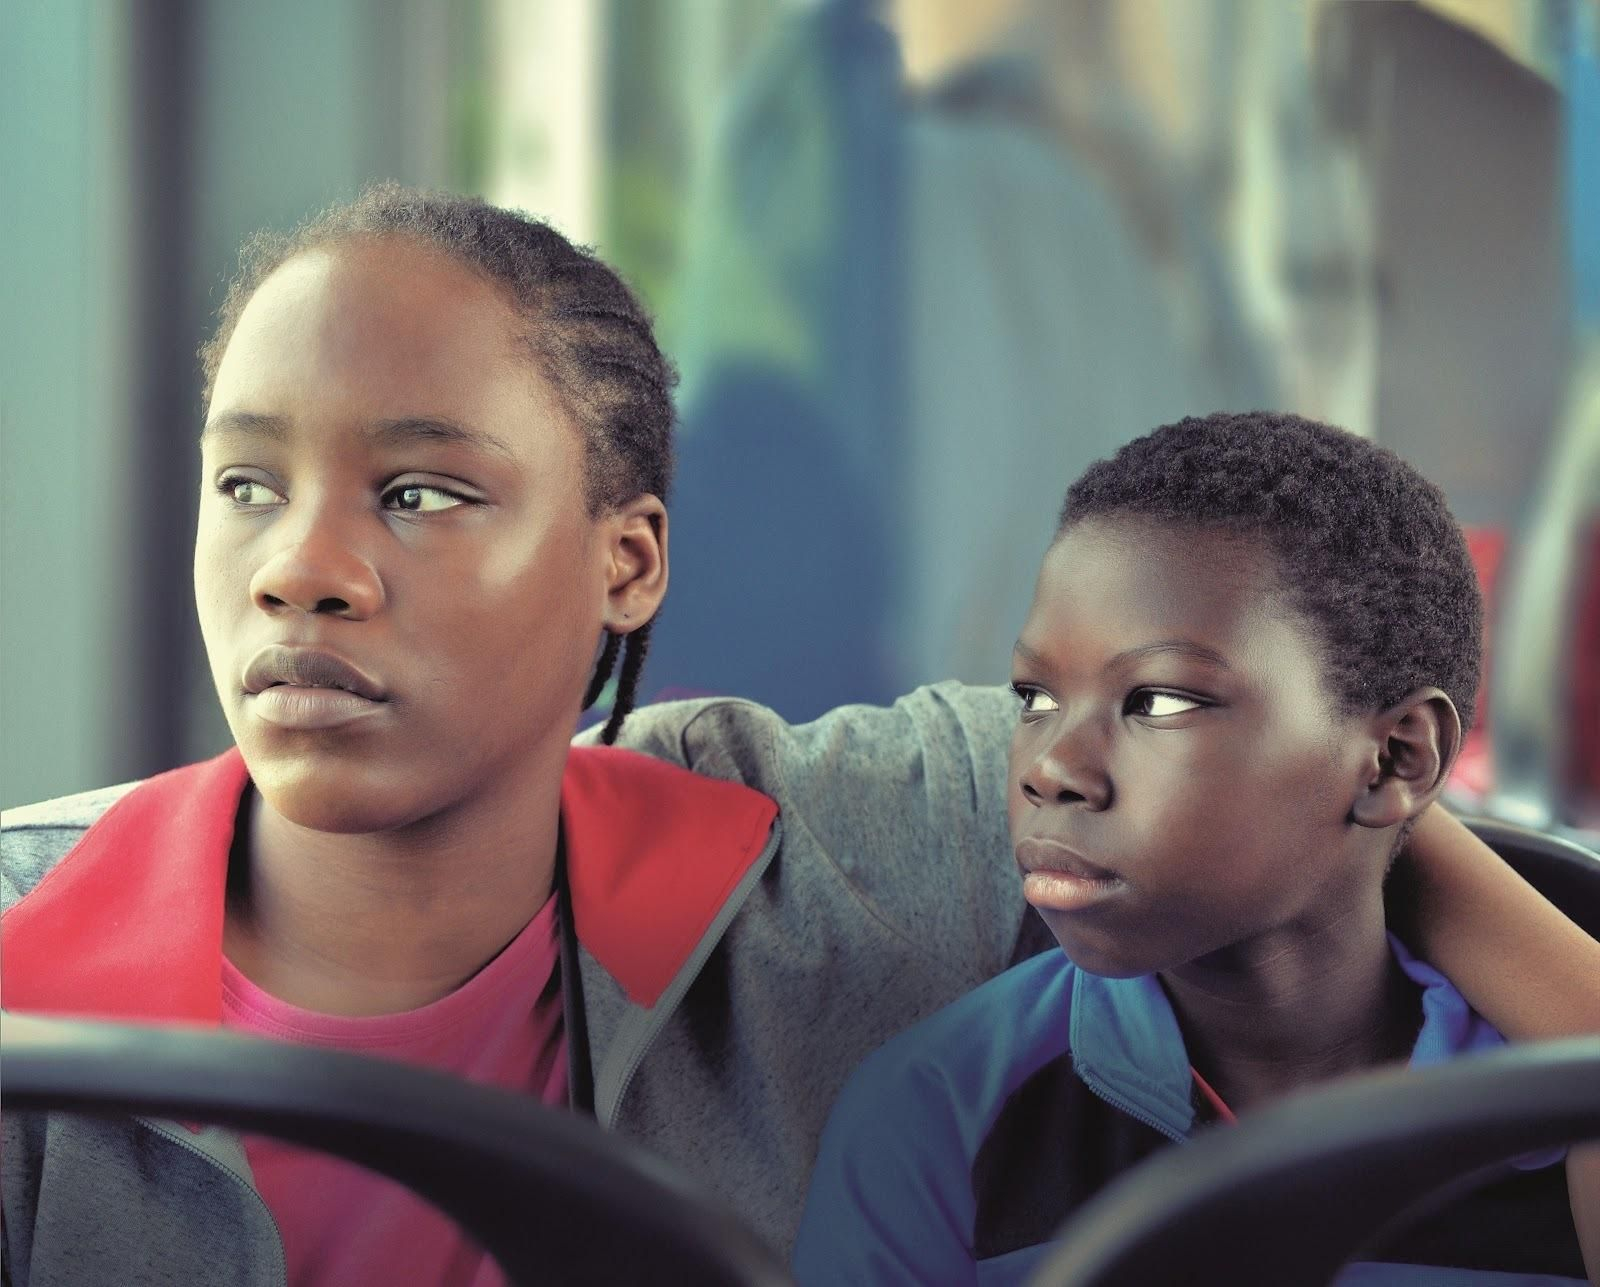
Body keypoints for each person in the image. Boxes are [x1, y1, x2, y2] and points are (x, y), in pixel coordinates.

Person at [0, 190, 1592, 1284]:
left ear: (627, 560)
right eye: (247, 484)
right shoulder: (25, 967)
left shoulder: (847, 849)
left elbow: (1300, 804)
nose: (299, 566)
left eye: (423, 492)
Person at [792, 412, 1599, 1285]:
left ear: (1397, 756)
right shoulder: (936, 1118)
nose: (1053, 767)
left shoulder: (1558, 1107)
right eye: (1033, 695)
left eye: (1161, 702)